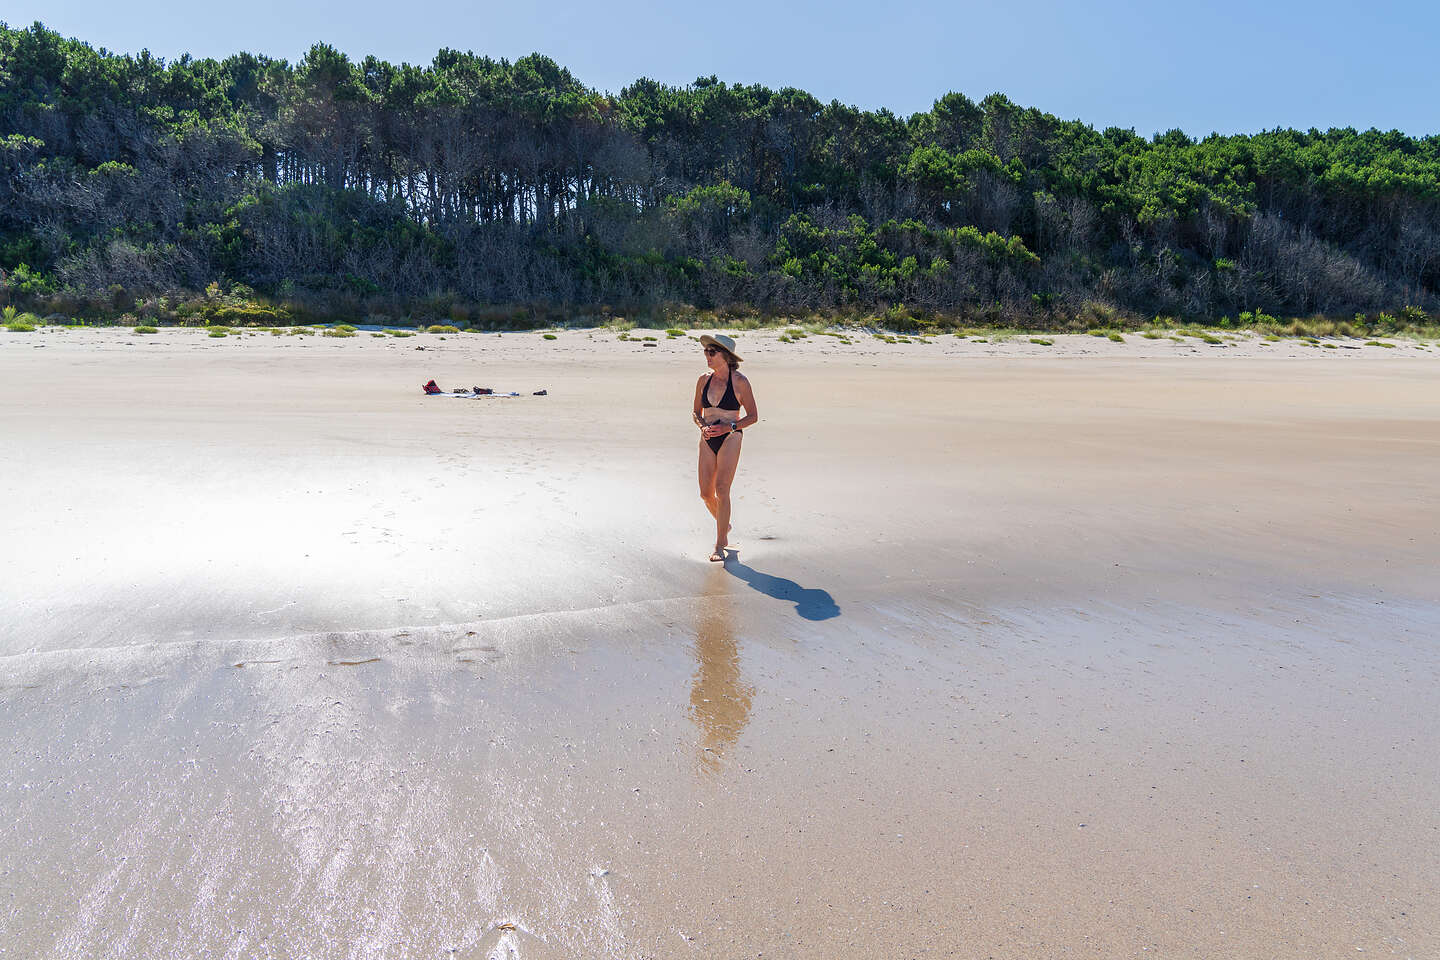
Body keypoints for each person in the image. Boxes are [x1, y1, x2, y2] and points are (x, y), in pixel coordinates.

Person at [692, 334, 758, 562]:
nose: (707, 355)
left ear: (726, 356)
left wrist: (729, 427)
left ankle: (720, 545)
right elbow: (695, 413)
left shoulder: (740, 382)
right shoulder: (703, 380)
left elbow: (753, 417)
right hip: (708, 437)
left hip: (730, 436)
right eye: (706, 351)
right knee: (705, 493)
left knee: (722, 489)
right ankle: (724, 525)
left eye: (712, 352)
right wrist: (702, 427)